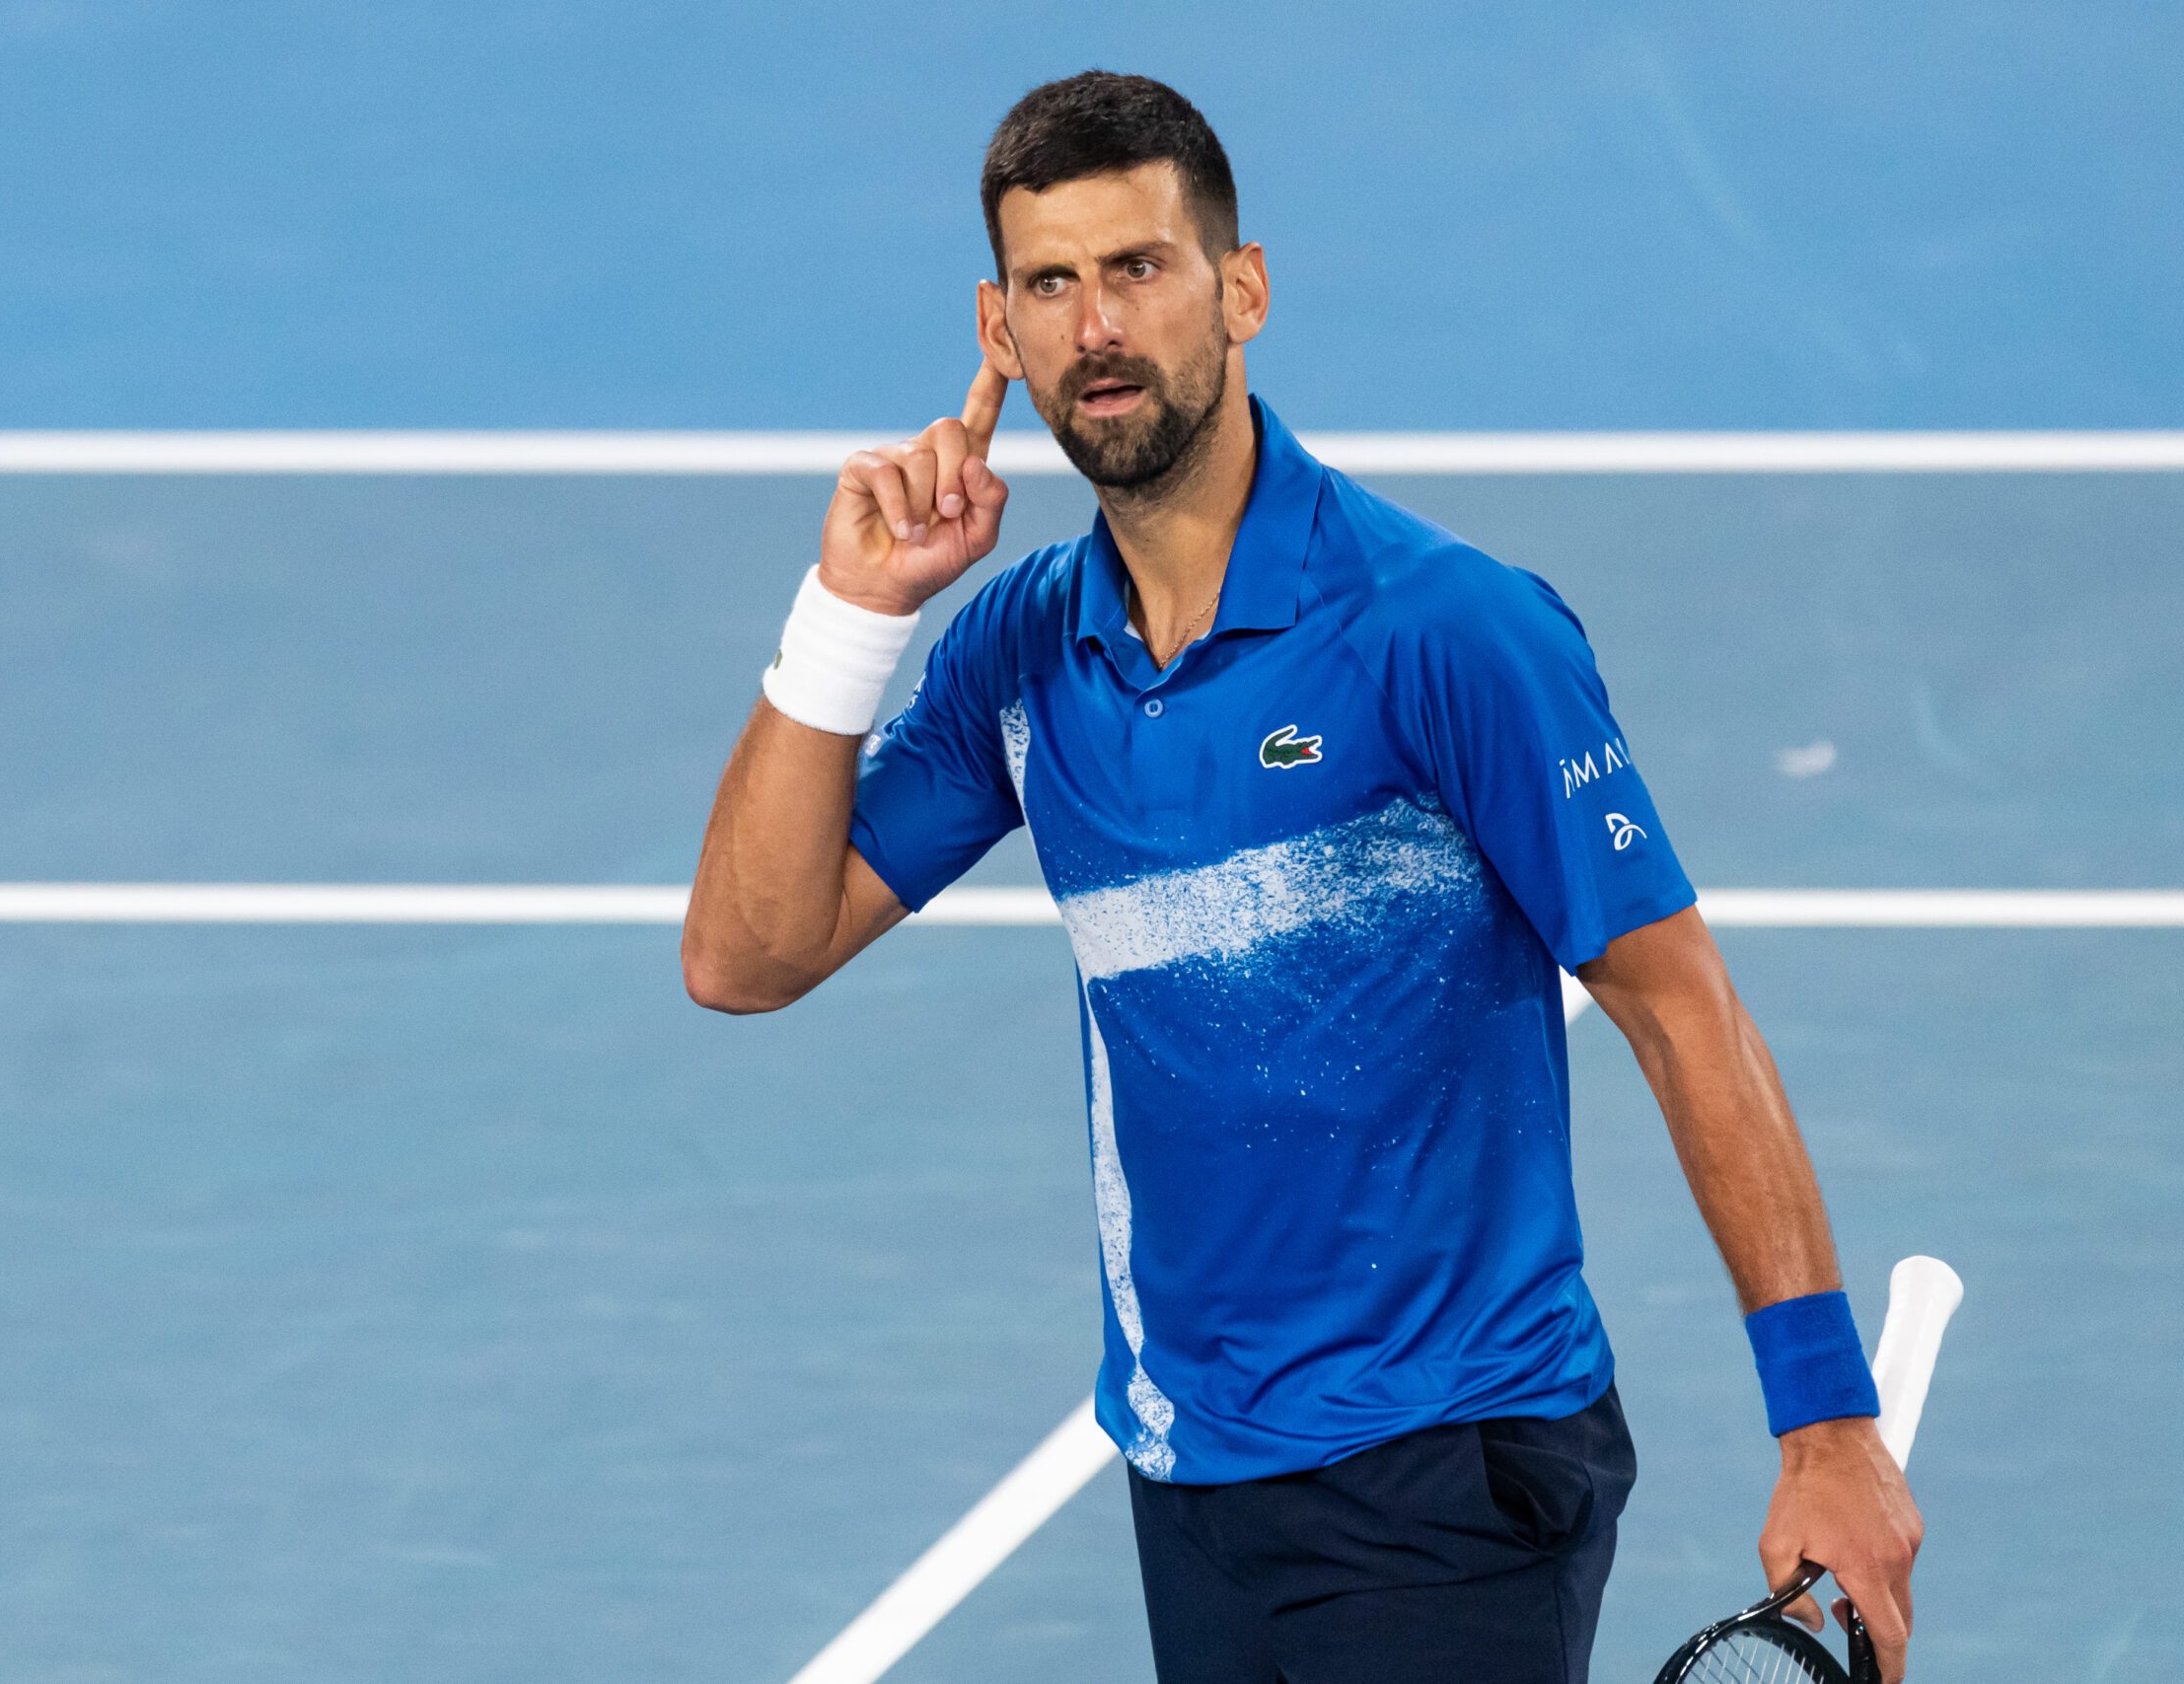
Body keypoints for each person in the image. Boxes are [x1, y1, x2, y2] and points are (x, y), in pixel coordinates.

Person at [680, 70, 1922, 1684]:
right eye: (1051, 285)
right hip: (1193, 1467)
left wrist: (1825, 1418)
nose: (1096, 325)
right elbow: (746, 955)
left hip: (1447, 1462)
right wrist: (853, 614)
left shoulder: (1445, 631)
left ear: (1240, 289)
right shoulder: (1019, 651)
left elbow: (1682, 1011)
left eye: (1139, 267)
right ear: (999, 328)